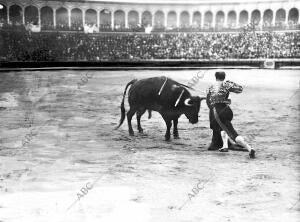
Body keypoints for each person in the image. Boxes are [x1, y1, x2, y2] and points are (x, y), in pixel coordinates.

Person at [206, 71, 255, 158]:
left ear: (215, 77)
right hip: (227, 110)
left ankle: (249, 148)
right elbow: (240, 89)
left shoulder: (210, 87)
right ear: (224, 77)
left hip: (218, 112)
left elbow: (209, 101)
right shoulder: (227, 84)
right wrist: (230, 85)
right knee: (223, 126)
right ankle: (225, 146)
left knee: (232, 134)